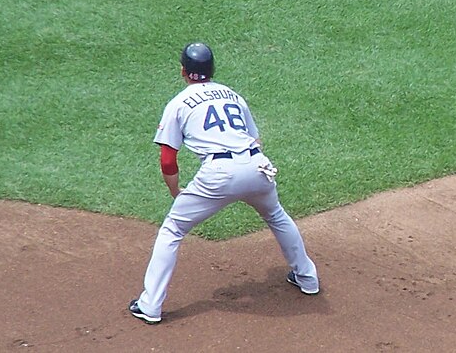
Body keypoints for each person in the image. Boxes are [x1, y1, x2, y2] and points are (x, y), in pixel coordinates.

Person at [129, 42, 319, 324]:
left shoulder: (178, 103)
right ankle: (307, 278)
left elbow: (168, 159)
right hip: (258, 165)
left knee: (173, 229)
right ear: (212, 70)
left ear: (183, 71)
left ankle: (150, 306)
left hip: (219, 173)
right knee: (276, 215)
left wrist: (175, 193)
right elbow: (255, 140)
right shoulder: (232, 95)